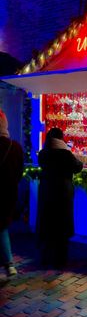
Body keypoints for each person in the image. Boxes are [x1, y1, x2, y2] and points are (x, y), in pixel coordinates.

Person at [36, 127, 83, 268]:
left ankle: (45, 257)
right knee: (62, 226)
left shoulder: (44, 153)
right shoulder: (65, 154)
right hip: (63, 193)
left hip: (46, 192)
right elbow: (78, 167)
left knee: (47, 224)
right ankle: (60, 260)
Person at [0, 110, 24, 276]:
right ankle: (9, 263)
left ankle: (8, 263)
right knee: (2, 226)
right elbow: (19, 172)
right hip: (8, 194)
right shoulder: (14, 147)